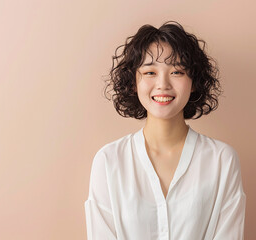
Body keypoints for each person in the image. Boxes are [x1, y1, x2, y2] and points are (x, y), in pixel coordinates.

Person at [84, 21, 246, 240]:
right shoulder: (108, 161)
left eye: (177, 71)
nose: (163, 84)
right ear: (134, 82)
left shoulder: (221, 160)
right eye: (150, 72)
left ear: (194, 81)